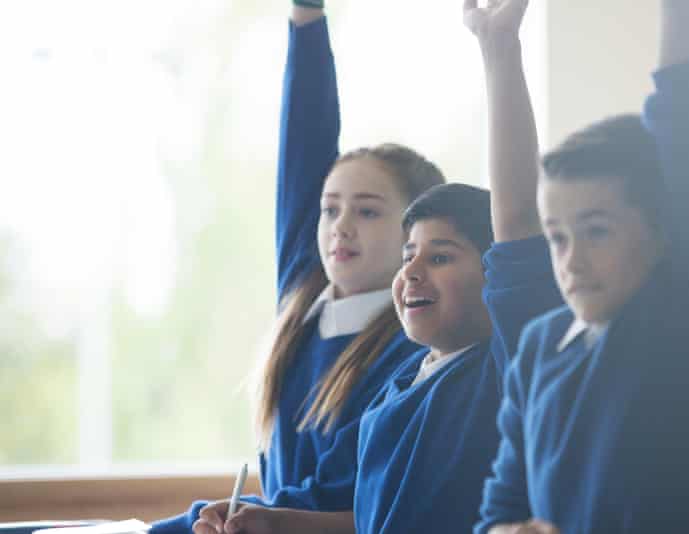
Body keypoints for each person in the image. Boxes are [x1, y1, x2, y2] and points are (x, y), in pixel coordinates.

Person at [205, 1, 563, 533]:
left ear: (495, 277)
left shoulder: (498, 368)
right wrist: (276, 524)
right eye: (408, 255)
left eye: (440, 257)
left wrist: (499, 48)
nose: (412, 271)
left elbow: (517, 220)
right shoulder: (401, 384)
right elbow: (369, 521)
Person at [150, 3, 444, 533]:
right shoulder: (304, 295)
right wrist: (306, 14)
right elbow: (303, 142)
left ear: (413, 232)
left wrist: (163, 529)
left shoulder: (411, 350)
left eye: (368, 211)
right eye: (330, 209)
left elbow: (326, 497)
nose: (341, 227)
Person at [476, 1, 689, 533]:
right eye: (558, 237)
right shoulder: (541, 346)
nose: (571, 260)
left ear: (662, 232)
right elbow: (501, 507)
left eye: (597, 231)